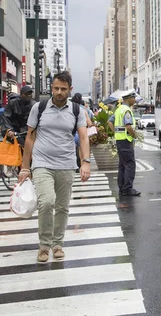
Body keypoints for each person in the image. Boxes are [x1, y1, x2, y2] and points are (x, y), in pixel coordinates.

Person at [18, 71, 90, 263]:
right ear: (52, 88)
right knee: (47, 202)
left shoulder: (77, 110)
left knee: (62, 206)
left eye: (63, 89)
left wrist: (85, 162)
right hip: (42, 163)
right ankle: (44, 245)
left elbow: (83, 137)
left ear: (70, 90)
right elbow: (30, 137)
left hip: (66, 164)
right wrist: (25, 167)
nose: (59, 92)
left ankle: (57, 244)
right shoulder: (39, 108)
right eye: (56, 88)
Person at [113, 90, 140, 197]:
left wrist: (116, 132)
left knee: (122, 165)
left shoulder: (119, 109)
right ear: (129, 99)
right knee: (130, 164)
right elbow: (128, 126)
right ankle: (128, 188)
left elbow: (110, 122)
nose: (135, 100)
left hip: (119, 140)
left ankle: (122, 188)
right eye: (133, 98)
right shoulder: (126, 111)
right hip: (126, 140)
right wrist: (134, 135)